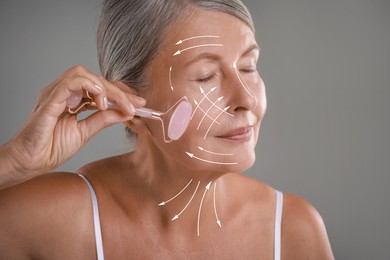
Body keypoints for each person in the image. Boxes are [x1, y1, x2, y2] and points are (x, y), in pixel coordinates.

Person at [0, 0, 334, 259]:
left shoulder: (293, 231)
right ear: (132, 108)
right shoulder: (52, 222)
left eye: (248, 67)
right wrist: (15, 161)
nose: (246, 98)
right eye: (205, 77)